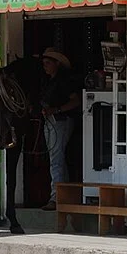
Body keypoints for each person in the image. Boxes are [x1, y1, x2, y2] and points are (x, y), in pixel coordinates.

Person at [39, 48, 80, 210]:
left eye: (48, 63)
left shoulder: (64, 81)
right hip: (52, 121)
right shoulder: (49, 81)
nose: (45, 66)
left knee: (56, 159)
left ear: (57, 64)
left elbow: (76, 101)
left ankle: (56, 197)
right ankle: (63, 195)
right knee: (57, 158)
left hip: (60, 121)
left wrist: (56, 110)